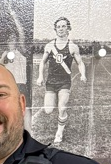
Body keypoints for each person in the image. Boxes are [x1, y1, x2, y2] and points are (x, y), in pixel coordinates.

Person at [35, 17, 87, 145]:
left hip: (65, 82)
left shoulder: (72, 46)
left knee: (62, 107)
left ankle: (59, 133)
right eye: (58, 27)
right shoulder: (49, 45)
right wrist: (40, 76)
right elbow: (42, 62)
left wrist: (83, 74)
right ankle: (60, 120)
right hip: (51, 82)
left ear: (68, 28)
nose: (61, 29)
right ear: (55, 29)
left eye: (63, 26)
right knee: (48, 110)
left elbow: (80, 63)